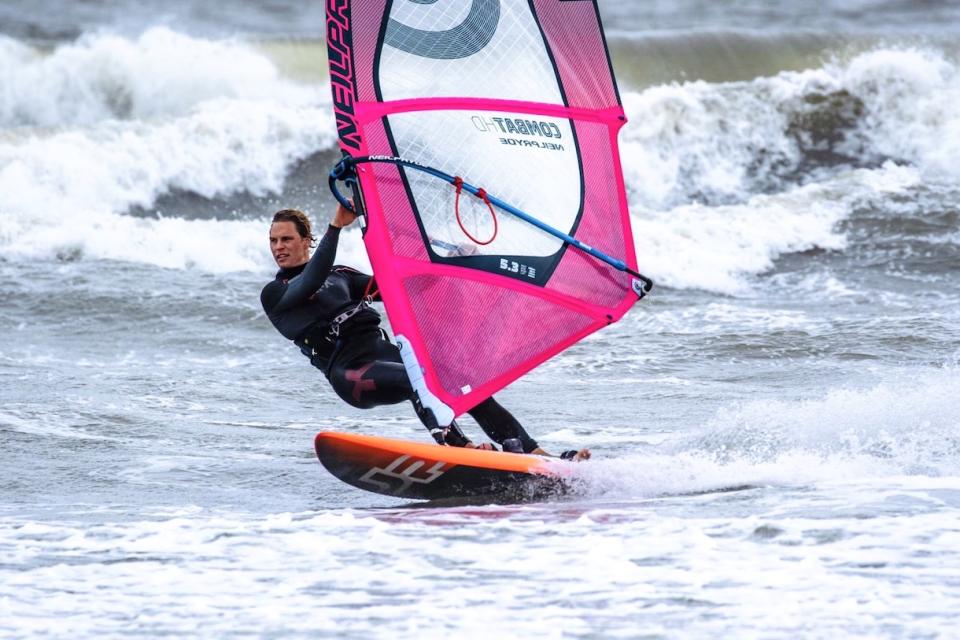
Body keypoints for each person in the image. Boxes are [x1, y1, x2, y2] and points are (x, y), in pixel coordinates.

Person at [260, 204, 589, 460]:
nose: (279, 247)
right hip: (350, 374)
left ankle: (533, 452)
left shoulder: (342, 275)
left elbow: (400, 288)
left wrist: (452, 262)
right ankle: (461, 448)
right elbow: (310, 281)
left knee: (457, 380)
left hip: (383, 353)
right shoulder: (275, 294)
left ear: (306, 241)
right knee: (417, 380)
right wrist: (336, 227)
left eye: (286, 238)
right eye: (274, 240)